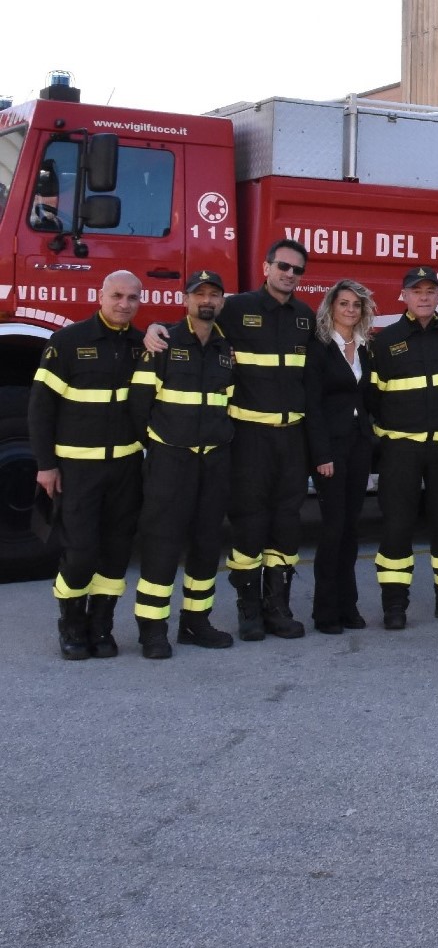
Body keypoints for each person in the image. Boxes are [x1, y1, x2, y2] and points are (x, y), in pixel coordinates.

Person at [146, 239, 316, 642]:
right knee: (250, 523)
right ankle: (249, 609)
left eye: (297, 269)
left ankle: (278, 607)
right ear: (266, 266)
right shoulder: (236, 308)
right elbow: (194, 324)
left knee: (287, 524)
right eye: (283, 266)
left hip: (291, 439)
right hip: (250, 439)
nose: (289, 274)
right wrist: (152, 330)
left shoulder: (305, 317)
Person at [29, 270, 145, 660]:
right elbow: (41, 409)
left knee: (115, 553)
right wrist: (46, 465)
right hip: (78, 471)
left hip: (126, 469)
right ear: (101, 295)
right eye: (117, 295)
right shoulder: (67, 342)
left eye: (132, 297)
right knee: (80, 552)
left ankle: (101, 627)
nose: (124, 304)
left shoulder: (140, 345)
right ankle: (72, 626)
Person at [127, 270, 237, 658]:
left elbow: (231, 403)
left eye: (213, 295)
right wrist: (160, 445)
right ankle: (153, 630)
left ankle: (196, 622)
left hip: (214, 461)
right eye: (199, 294)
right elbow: (139, 404)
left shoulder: (227, 349)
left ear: (222, 302)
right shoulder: (162, 343)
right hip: (171, 461)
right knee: (162, 544)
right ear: (185, 300)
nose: (206, 301)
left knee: (207, 544)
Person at [367, 266, 438, 631]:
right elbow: (372, 398)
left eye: (431, 290)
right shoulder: (384, 341)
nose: (425, 296)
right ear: (404, 296)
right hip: (401, 451)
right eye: (417, 291)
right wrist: (384, 439)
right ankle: (395, 604)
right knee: (397, 527)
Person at [305, 279, 376, 635]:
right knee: (333, 529)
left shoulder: (363, 347)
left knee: (351, 528)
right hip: (330, 450)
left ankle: (349, 606)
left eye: (356, 305)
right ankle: (325, 612)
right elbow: (313, 405)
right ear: (331, 306)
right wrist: (321, 453)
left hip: (359, 446)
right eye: (343, 303)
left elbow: (365, 399)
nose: (350, 309)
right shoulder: (318, 347)